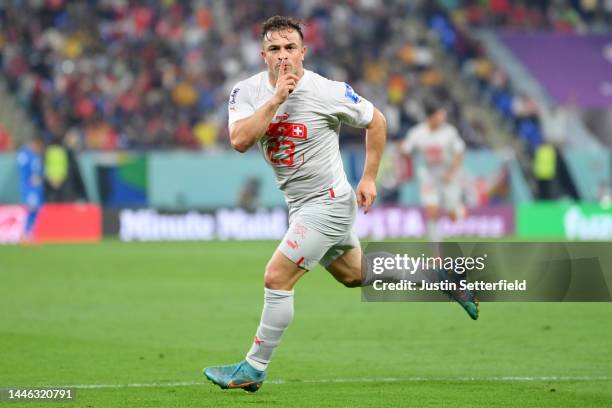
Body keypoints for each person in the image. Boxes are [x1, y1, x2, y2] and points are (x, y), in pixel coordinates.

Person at [203, 16, 477, 393]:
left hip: (329, 203)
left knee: (276, 277)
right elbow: (239, 139)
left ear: (303, 52)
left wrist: (368, 177)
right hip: (300, 205)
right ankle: (438, 277)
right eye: (275, 49)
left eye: (290, 48)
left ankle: (254, 368)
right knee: (356, 275)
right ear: (263, 54)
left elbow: (376, 121)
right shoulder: (246, 92)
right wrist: (277, 99)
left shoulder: (326, 91)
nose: (283, 57)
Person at [400, 99, 467, 242]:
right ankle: (437, 251)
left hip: (448, 176)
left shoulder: (449, 132)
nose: (443, 118)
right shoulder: (417, 133)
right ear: (431, 117)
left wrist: (451, 172)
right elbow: (405, 149)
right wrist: (404, 153)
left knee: (453, 215)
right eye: (440, 115)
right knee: (432, 211)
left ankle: (458, 210)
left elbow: (459, 152)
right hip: (428, 176)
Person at [16, 136, 45, 240]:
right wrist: (29, 183)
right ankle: (25, 234)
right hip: (30, 188)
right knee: (31, 209)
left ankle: (30, 233)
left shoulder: (36, 156)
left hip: (37, 188)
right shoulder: (24, 154)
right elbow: (23, 172)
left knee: (36, 210)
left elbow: (40, 172)